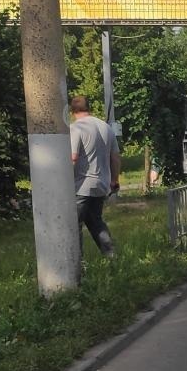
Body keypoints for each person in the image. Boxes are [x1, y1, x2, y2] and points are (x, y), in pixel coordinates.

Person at [70, 94, 119, 258]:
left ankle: (77, 264)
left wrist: (64, 182)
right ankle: (111, 256)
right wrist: (114, 180)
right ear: (88, 108)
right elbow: (115, 157)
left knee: (73, 225)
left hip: (82, 186)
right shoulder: (105, 127)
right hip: (101, 185)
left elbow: (73, 158)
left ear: (72, 111)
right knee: (95, 221)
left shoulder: (77, 128)